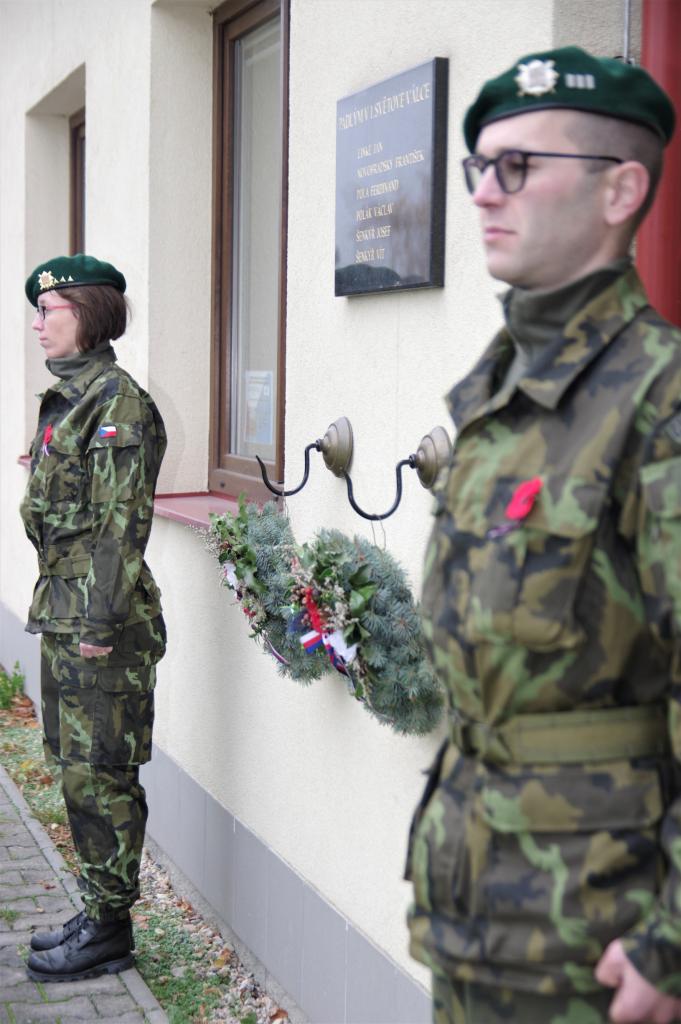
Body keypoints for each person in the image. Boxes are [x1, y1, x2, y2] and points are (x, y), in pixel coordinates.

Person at [406, 46, 681, 1024]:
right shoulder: (499, 395)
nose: (485, 193)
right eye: (480, 167)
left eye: (518, 166)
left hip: (600, 938)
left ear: (620, 191)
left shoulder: (656, 400)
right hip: (475, 905)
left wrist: (670, 945)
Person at [20, 254, 167, 982]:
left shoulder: (116, 404)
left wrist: (101, 626)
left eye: (50, 310)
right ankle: (101, 909)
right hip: (66, 615)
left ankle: (110, 931)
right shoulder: (71, 399)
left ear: (88, 312)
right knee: (77, 773)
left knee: (102, 776)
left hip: (98, 628)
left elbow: (120, 527)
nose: (38, 324)